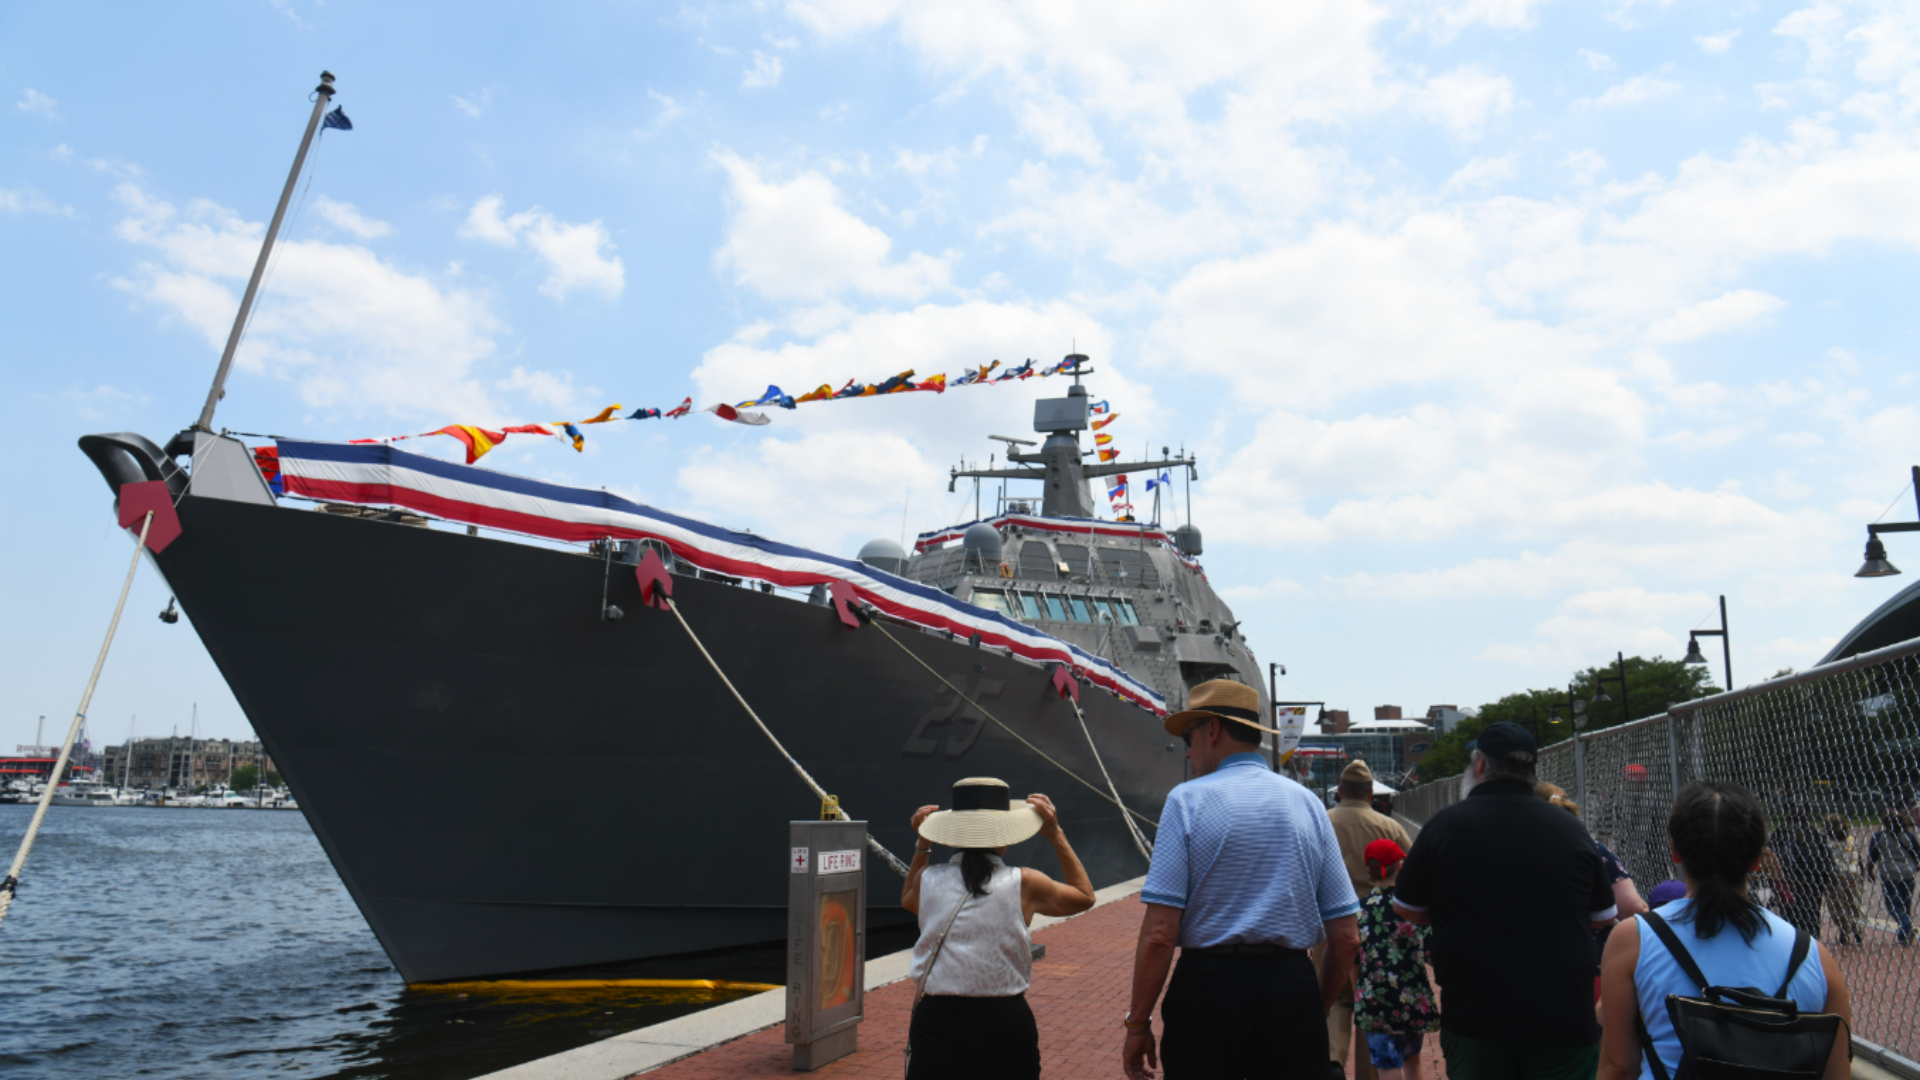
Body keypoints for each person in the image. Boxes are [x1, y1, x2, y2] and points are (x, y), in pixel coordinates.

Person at [1122, 679, 1360, 1080]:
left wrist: (1137, 1024)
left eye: (1189, 736)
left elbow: (1161, 934)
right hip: (1291, 987)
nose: (1189, 750)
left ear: (1213, 730)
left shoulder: (1186, 800)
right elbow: (1347, 936)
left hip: (1207, 993)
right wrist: (1308, 1009)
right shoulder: (1309, 805)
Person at [1393, 722, 1618, 1080]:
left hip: (1475, 1009)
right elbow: (1604, 915)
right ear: (1531, 770)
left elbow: (1407, 908)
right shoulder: (1571, 829)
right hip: (1563, 1014)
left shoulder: (1445, 826)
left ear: (1480, 765)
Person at [1598, 781, 1854, 1080]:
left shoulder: (1633, 939)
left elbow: (1619, 1066)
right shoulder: (1812, 955)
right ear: (1758, 859)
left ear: (1675, 851)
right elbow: (1836, 1073)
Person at [901, 778, 1097, 1080]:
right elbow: (1084, 896)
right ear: (1003, 835)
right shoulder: (1025, 883)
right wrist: (1055, 834)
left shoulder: (927, 880)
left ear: (954, 833)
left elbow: (907, 900)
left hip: (938, 1023)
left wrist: (923, 843)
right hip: (1005, 1023)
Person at [1324, 758, 1412, 1080]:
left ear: (1340, 791)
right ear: (1371, 793)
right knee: (1372, 1003)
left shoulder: (1322, 820)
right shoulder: (1389, 826)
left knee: (1334, 998)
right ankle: (1369, 1074)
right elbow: (1413, 874)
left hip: (1330, 923)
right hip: (1379, 928)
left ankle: (1332, 1059)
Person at [1354, 838, 1437, 1080]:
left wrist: (1359, 991)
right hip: (1413, 997)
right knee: (1413, 1060)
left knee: (1386, 1064)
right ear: (1401, 867)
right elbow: (1430, 954)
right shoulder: (1413, 908)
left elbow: (1354, 961)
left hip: (1375, 999)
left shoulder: (1360, 910)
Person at [1867, 809, 1920, 946]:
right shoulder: (1909, 835)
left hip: (1889, 873)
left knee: (1892, 904)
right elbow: (1917, 853)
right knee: (1905, 903)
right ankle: (1903, 936)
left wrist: (1870, 871)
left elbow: (1873, 856)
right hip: (1908, 872)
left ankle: (1907, 925)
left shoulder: (1879, 836)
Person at [1823, 813, 1865, 946]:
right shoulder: (1851, 840)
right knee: (1853, 902)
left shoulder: (1827, 843)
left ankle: (1844, 931)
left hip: (1835, 876)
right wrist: (1862, 873)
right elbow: (1859, 858)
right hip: (1853, 874)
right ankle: (1857, 927)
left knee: (1838, 905)